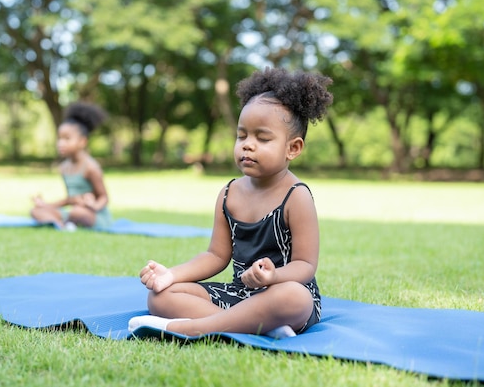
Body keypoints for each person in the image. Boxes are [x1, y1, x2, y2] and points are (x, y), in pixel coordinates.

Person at [128, 67, 332, 338]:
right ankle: (256, 326)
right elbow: (216, 256)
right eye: (242, 135)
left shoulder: (297, 196)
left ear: (292, 148)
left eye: (262, 138)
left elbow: (305, 266)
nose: (248, 145)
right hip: (240, 294)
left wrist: (272, 277)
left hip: (283, 292)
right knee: (161, 296)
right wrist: (171, 275)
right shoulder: (229, 193)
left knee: (295, 297)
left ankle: (193, 328)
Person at [30, 102, 113, 231]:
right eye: (59, 138)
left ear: (82, 141)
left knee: (77, 212)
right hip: (73, 210)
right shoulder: (64, 167)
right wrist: (46, 205)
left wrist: (93, 205)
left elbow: (104, 197)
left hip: (93, 213)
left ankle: (67, 223)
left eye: (67, 139)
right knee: (36, 211)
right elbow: (70, 200)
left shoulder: (91, 167)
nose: (61, 143)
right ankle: (62, 225)